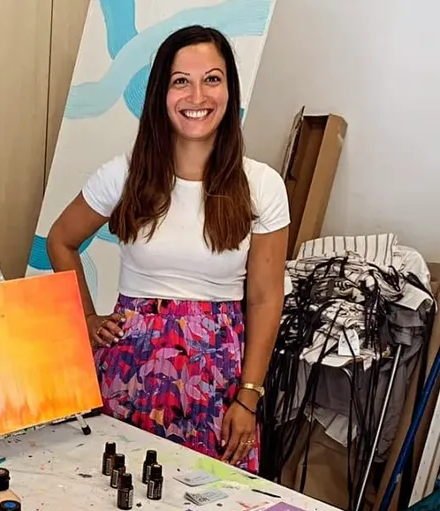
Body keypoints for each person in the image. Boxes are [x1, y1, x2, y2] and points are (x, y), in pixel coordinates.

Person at [46, 25, 289, 472]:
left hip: (217, 378)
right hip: (129, 368)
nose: (197, 95)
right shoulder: (123, 174)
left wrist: (249, 395)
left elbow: (265, 297)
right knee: (114, 490)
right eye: (181, 81)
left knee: (210, 493)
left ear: (230, 90)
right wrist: (86, 318)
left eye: (212, 79)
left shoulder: (262, 185)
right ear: (161, 92)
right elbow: (60, 240)